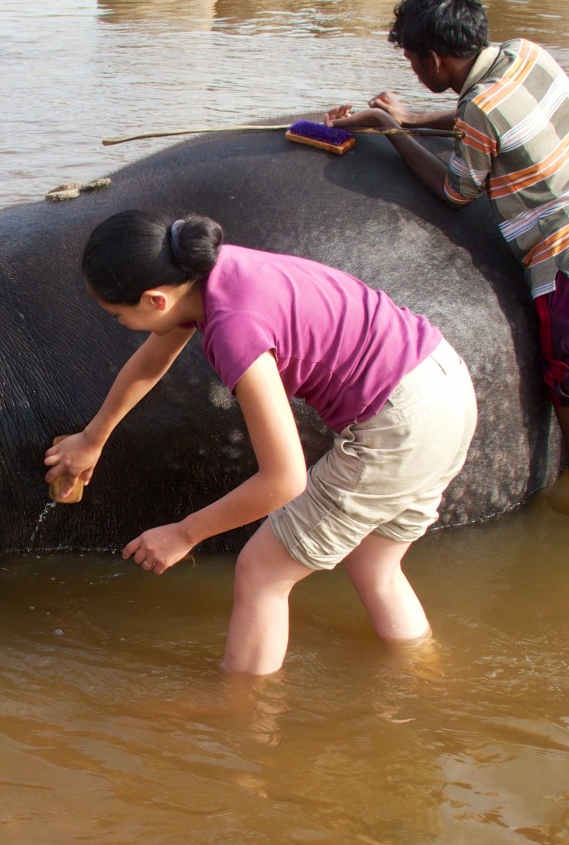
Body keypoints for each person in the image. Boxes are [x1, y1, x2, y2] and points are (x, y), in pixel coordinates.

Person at [43, 212, 477, 675]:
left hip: (399, 424)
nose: (121, 323)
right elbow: (153, 360)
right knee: (375, 567)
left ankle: (241, 719)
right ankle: (425, 676)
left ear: (155, 299)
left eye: (117, 315)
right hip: (444, 386)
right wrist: (93, 438)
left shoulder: (234, 329)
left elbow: (285, 478)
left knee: (261, 573)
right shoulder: (209, 271)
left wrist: (184, 533)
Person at [327, 0, 569, 518]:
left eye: (414, 62)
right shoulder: (527, 55)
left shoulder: (479, 108)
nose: (414, 72)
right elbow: (488, 118)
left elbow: (456, 190)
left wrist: (392, 129)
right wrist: (416, 114)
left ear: (435, 59)